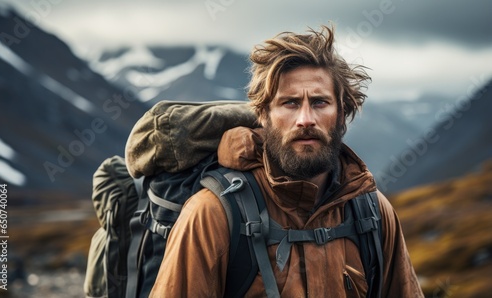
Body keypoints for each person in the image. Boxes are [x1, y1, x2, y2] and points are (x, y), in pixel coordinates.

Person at [149, 25, 423, 297]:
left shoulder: (372, 212)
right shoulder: (213, 214)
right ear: (263, 115)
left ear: (342, 113)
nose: (306, 119)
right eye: (289, 103)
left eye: (319, 102)